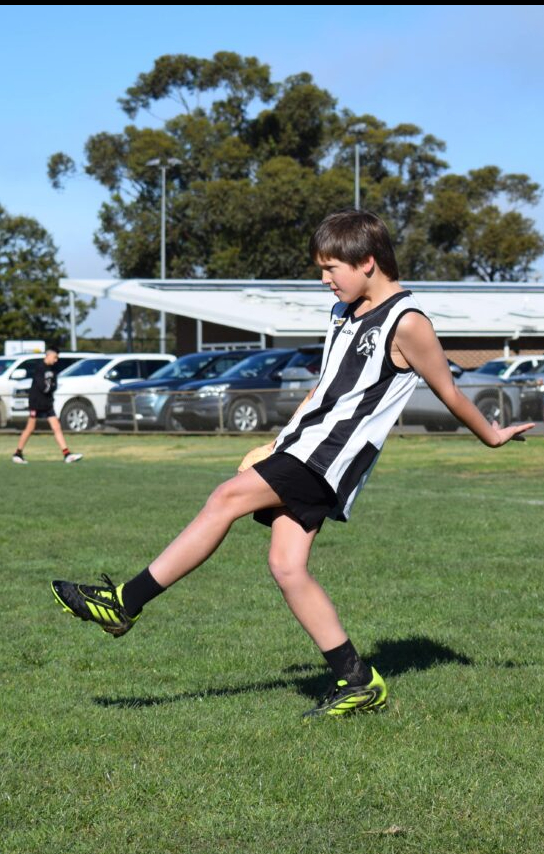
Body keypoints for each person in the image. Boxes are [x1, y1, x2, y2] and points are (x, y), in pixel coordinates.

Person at [50, 210, 533, 718]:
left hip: (330, 458)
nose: (324, 280)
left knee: (225, 498)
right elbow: (324, 390)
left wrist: (492, 436)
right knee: (286, 566)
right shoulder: (342, 312)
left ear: (367, 262)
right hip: (304, 448)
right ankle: (357, 681)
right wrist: (275, 444)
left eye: (331, 268)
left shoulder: (408, 322)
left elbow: (448, 390)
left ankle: (125, 602)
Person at [12, 346, 83, 465]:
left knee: (57, 427)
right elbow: (42, 386)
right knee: (30, 428)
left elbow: (54, 385)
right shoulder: (40, 368)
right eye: (55, 357)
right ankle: (17, 454)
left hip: (47, 403)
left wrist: (50, 388)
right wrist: (49, 387)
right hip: (36, 403)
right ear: (48, 355)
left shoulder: (53, 369)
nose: (56, 360)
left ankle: (67, 454)